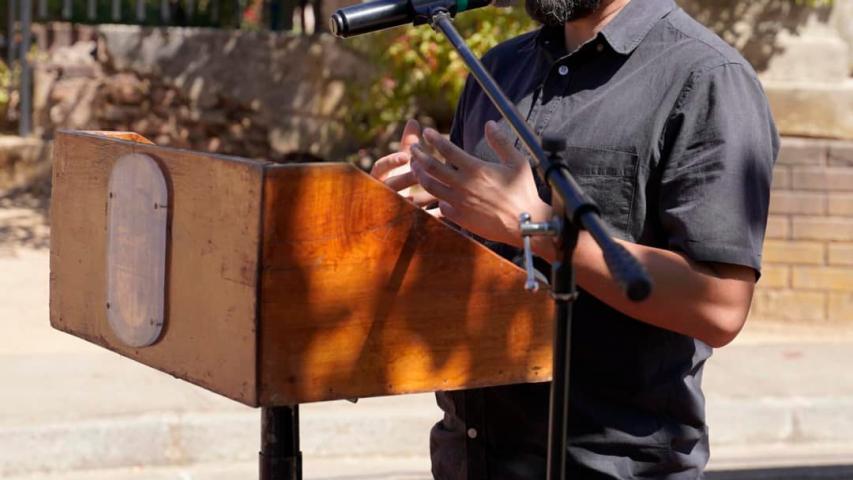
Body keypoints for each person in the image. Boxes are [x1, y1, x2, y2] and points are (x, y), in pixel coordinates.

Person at [370, 0, 779, 477]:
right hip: (471, 456)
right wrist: (414, 221)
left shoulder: (707, 76)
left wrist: (536, 225)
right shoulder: (499, 67)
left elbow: (721, 305)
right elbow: (481, 258)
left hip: (609, 465)